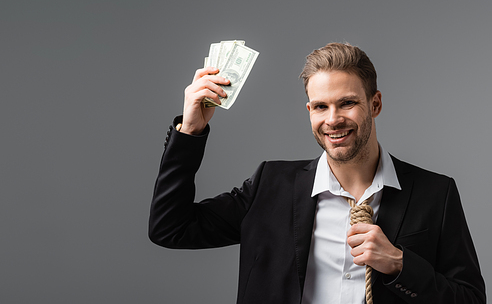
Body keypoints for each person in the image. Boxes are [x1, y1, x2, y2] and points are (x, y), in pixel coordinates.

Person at [149, 43, 486, 304]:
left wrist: (399, 265)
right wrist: (189, 131)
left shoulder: (434, 193)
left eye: (347, 103)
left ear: (375, 104)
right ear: (309, 111)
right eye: (321, 106)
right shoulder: (271, 186)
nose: (333, 119)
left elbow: (469, 299)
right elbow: (171, 228)